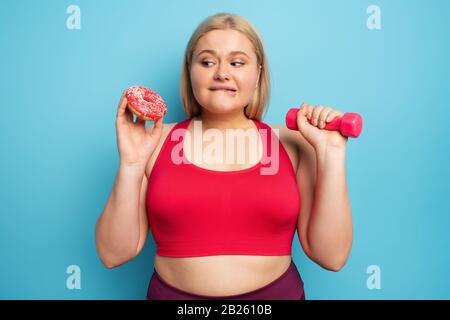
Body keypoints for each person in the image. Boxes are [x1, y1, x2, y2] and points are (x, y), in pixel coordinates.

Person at [95, 12, 353, 300]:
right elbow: (112, 254)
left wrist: (331, 155)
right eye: (206, 61)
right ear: (189, 70)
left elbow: (331, 257)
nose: (221, 73)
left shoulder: (295, 142)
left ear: (258, 73)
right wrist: (131, 164)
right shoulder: (152, 141)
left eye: (237, 62)